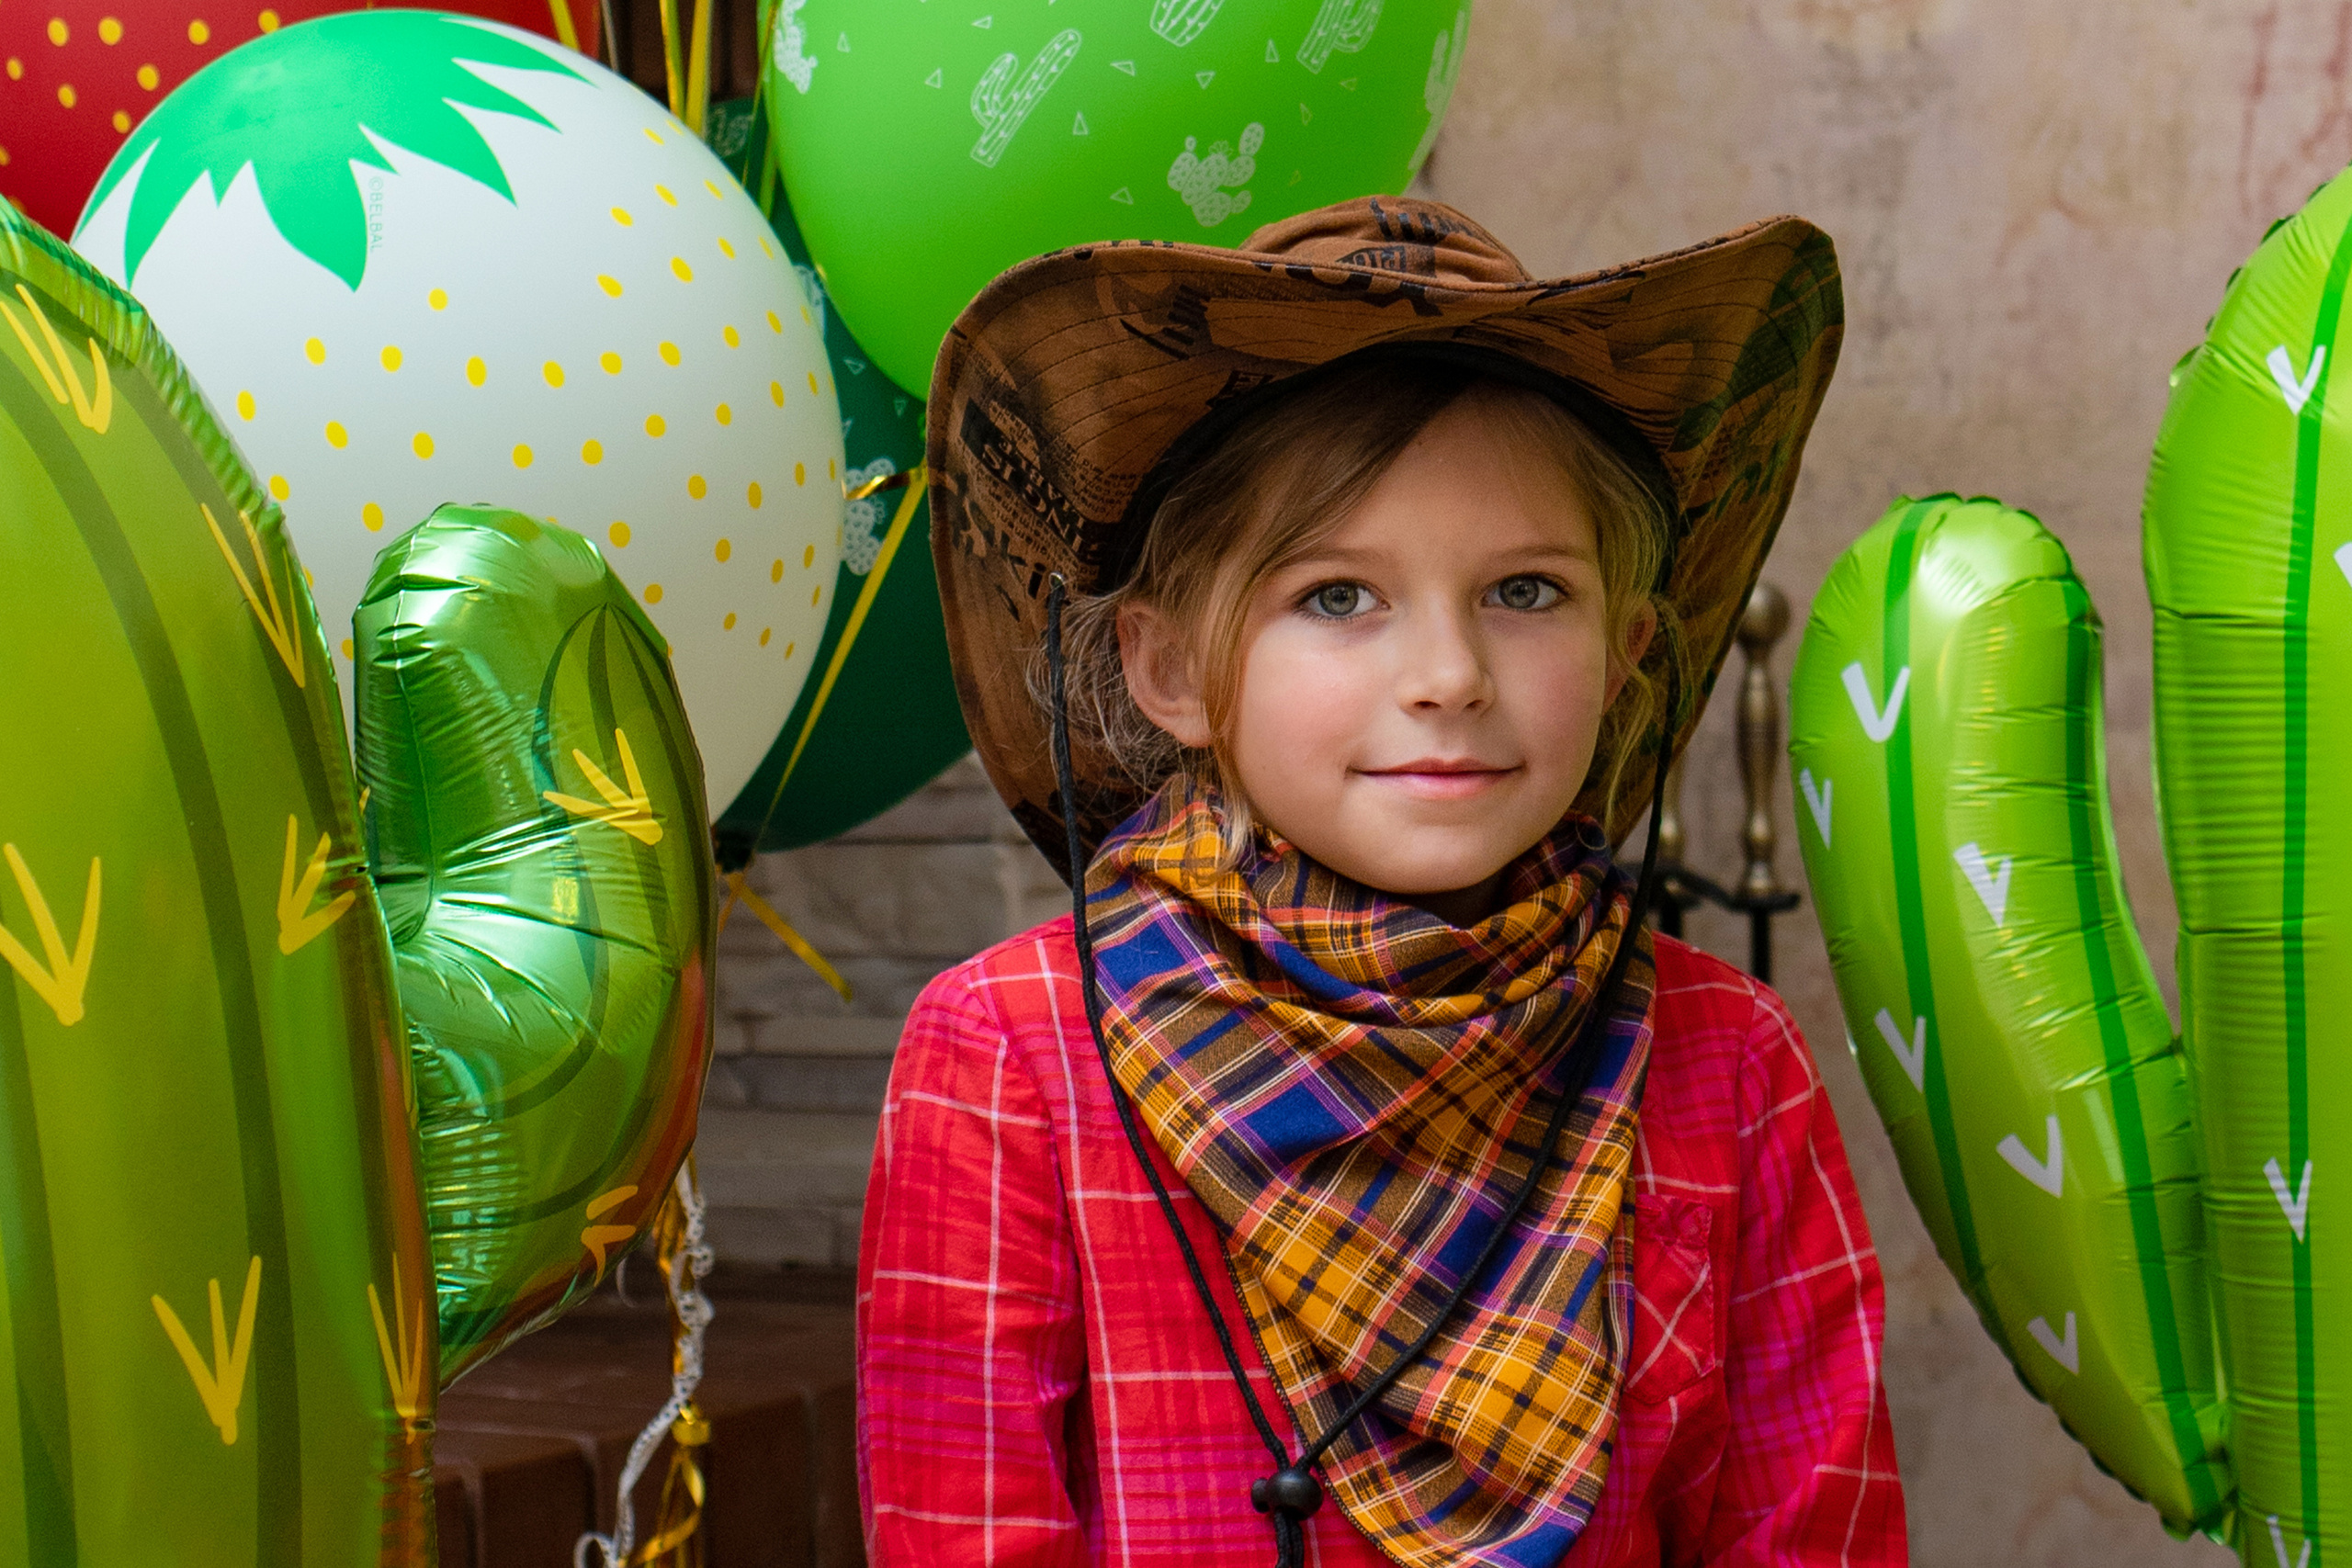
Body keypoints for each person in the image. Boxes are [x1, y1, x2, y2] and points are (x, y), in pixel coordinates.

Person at [856, 196, 1903, 1567]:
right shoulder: (1010, 1061)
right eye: (1338, 596)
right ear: (1169, 670)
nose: (1451, 677)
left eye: (1526, 592)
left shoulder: (1729, 1066)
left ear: (1632, 648)